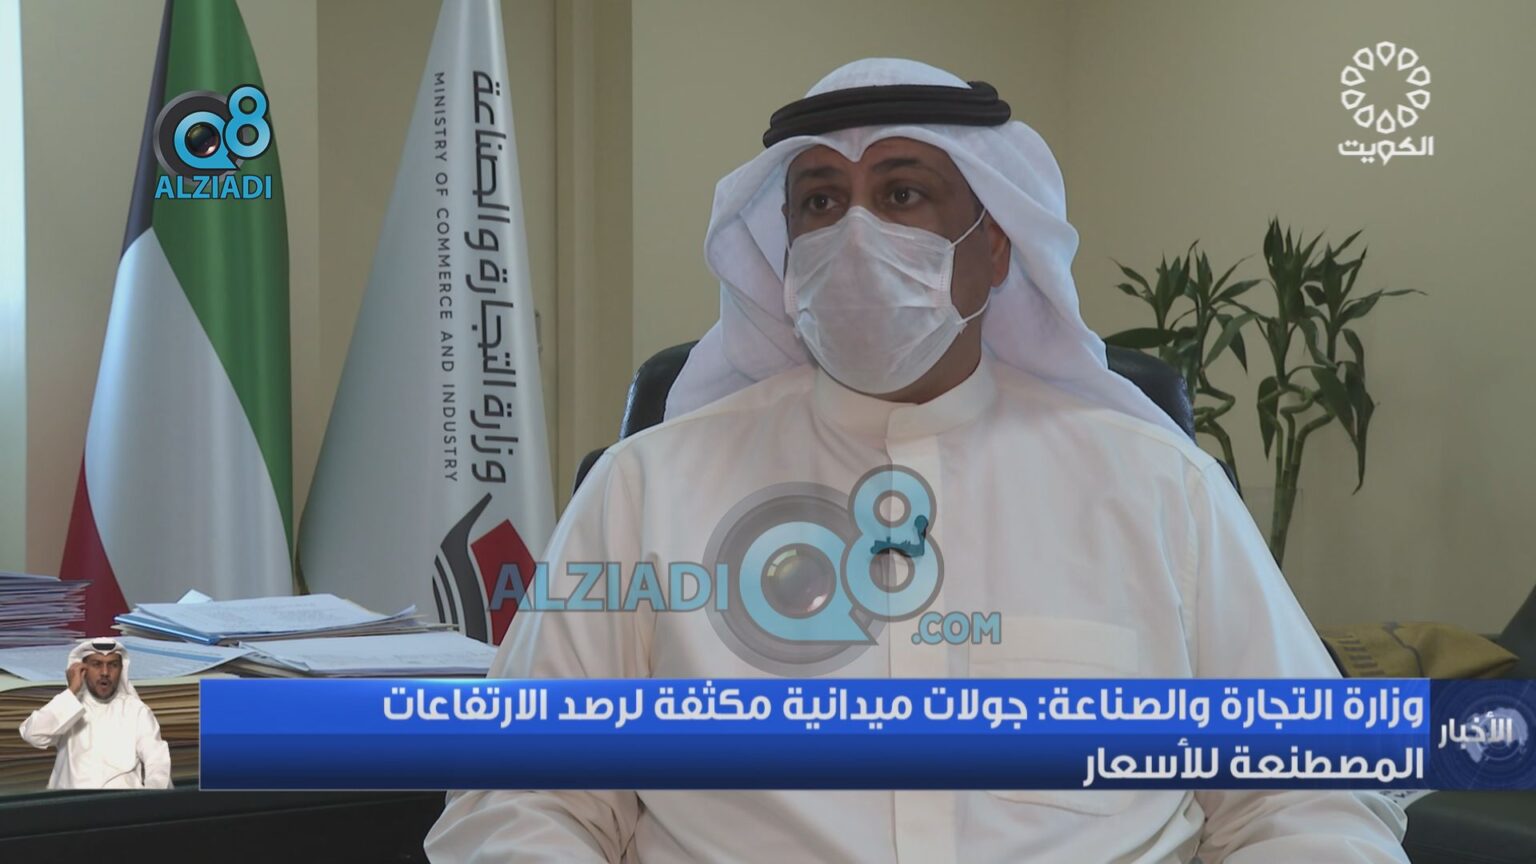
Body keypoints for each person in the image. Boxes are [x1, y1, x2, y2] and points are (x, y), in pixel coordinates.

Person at [425, 58, 1409, 863]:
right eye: (820, 201)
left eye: (903, 195)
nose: (854, 233)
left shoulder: (1157, 487)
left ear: (995, 249)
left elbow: (1306, 795)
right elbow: (523, 797)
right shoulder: (648, 489)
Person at [18, 637, 172, 790]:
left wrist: (151, 800)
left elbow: (158, 762)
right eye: (96, 664)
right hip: (70, 802)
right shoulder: (68, 706)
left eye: (113, 665)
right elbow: (33, 735)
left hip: (122, 802)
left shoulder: (136, 711)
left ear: (121, 669)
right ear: (82, 669)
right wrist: (72, 691)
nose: (105, 672)